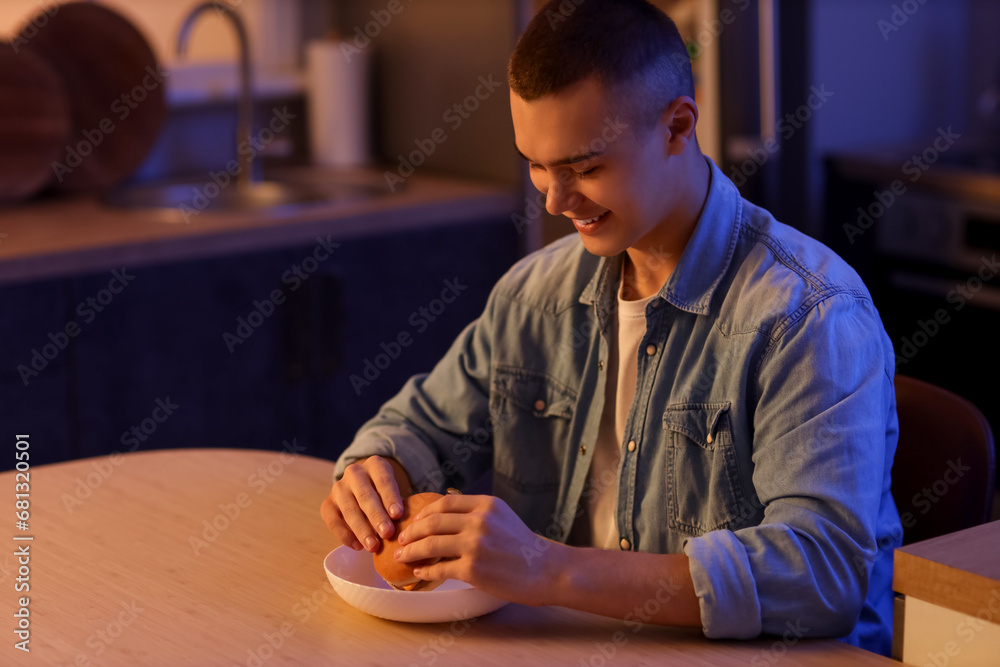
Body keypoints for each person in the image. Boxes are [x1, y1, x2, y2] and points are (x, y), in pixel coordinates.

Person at [320, 0, 900, 656]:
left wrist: (545, 567)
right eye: (536, 163)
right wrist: (378, 467)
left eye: (586, 167)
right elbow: (421, 427)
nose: (553, 200)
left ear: (678, 126)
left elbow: (820, 577)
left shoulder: (809, 314)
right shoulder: (532, 295)